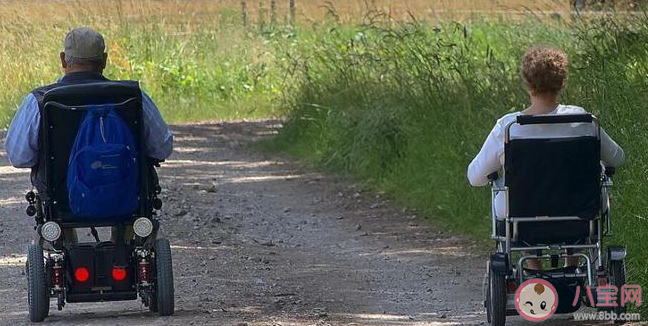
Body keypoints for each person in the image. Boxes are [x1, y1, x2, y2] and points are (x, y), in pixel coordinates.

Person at [4, 27, 173, 241]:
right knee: (134, 212)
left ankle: (64, 262)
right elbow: (162, 147)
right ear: (104, 60)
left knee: (54, 215)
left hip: (62, 198)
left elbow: (20, 157)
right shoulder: (132, 97)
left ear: (63, 60)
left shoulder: (40, 100)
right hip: (126, 194)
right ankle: (125, 254)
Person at [467, 46, 624, 269]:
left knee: (508, 199)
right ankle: (573, 261)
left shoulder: (509, 127)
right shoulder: (586, 122)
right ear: (562, 82)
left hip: (522, 218)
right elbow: (617, 158)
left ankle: (532, 267)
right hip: (580, 216)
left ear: (527, 83)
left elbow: (475, 178)